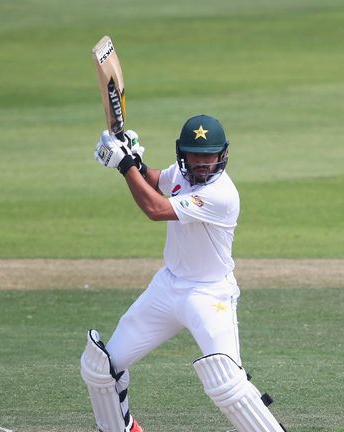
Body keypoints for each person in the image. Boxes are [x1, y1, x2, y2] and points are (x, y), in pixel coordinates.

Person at [81, 114, 286, 432]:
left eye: (209, 155)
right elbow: (156, 179)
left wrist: (125, 167)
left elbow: (156, 209)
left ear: (222, 154)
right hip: (166, 289)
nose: (202, 163)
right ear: (182, 154)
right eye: (195, 154)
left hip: (209, 295)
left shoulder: (222, 194)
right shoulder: (182, 172)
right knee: (100, 368)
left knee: (227, 385)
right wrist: (134, 159)